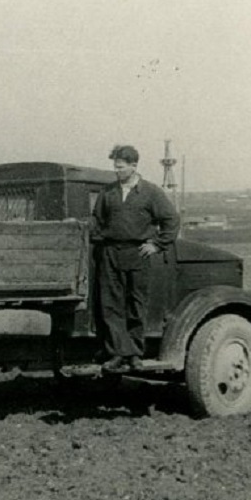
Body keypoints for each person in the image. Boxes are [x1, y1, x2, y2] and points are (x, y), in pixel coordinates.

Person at [91, 144, 180, 372]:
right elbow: (97, 220)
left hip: (137, 254)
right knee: (111, 305)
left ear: (134, 166)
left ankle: (133, 354)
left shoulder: (150, 192)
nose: (117, 171)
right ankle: (117, 354)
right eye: (115, 167)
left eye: (120, 167)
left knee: (135, 304)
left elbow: (171, 219)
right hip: (110, 253)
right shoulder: (108, 192)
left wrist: (156, 244)